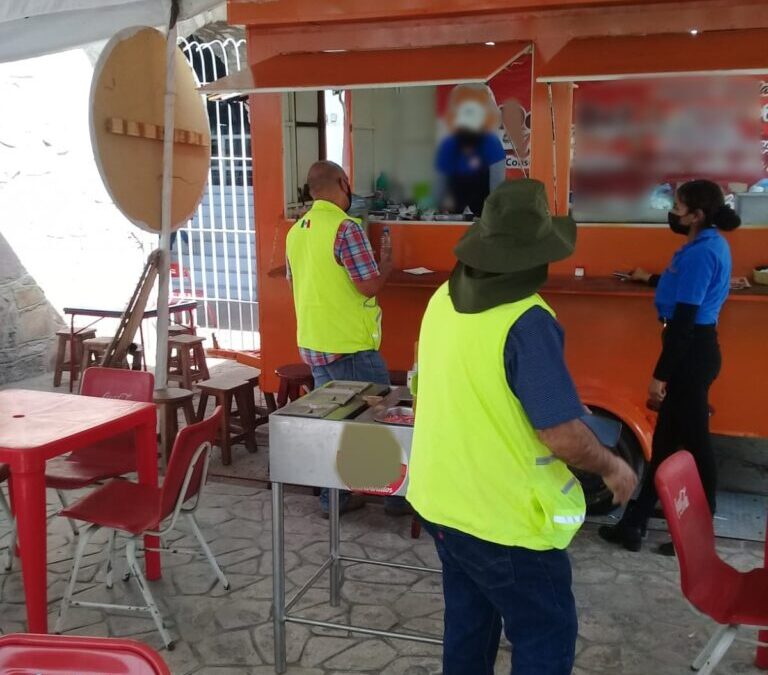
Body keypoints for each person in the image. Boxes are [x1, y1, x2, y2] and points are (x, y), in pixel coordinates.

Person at [407, 179, 638, 675]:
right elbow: (559, 434)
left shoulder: (442, 299)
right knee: (545, 634)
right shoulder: (527, 320)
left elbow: (438, 387)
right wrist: (612, 466)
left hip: (442, 503)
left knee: (469, 628)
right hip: (505, 521)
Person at [599, 179, 741, 555]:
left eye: (677, 208)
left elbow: (684, 320)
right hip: (690, 349)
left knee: (696, 447)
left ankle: (698, 537)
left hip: (690, 353)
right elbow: (684, 290)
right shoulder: (702, 245)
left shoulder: (702, 253)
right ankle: (633, 525)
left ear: (696, 215)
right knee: (663, 447)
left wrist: (659, 375)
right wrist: (651, 279)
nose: (672, 213)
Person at [285, 160, 411, 517]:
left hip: (315, 344)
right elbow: (367, 286)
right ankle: (395, 498)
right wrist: (386, 266)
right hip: (351, 346)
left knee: (335, 424)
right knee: (379, 422)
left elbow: (295, 283)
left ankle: (334, 499)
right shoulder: (346, 229)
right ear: (343, 183)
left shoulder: (297, 230)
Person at [435, 83, 506, 216]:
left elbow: (497, 181)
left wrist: (494, 209)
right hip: (455, 203)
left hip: (483, 203)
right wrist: (440, 205)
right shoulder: (450, 143)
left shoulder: (491, 142)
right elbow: (441, 177)